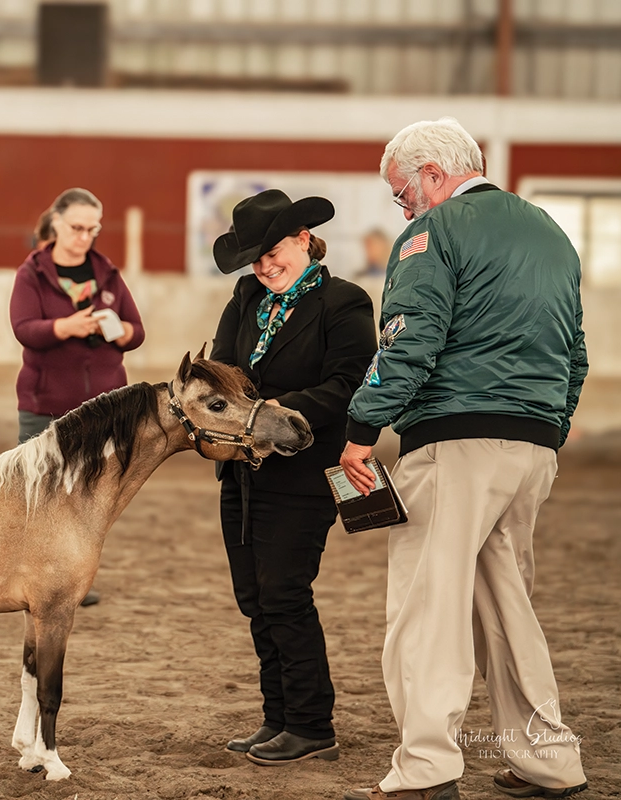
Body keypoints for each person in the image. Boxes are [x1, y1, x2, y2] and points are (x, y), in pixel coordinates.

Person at [340, 118, 589, 800]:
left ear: (434, 175)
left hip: (455, 442)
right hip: (532, 446)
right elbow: (575, 353)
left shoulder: (432, 234)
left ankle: (427, 766)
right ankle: (549, 761)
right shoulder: (549, 233)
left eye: (401, 193)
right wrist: (549, 430)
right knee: (509, 611)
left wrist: (363, 425)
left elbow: (410, 339)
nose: (402, 207)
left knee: (428, 607)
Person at [209, 190, 376, 766]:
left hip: (303, 474)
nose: (264, 266)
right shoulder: (247, 296)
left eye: (273, 251)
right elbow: (224, 368)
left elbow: (348, 383)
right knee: (255, 598)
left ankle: (311, 725)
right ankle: (278, 718)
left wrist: (272, 414)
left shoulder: (344, 302)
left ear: (304, 238)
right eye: (255, 258)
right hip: (242, 472)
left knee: (284, 593)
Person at [9, 188, 146, 607]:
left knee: (89, 497)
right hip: (44, 404)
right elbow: (24, 328)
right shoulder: (31, 274)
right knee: (37, 494)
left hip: (104, 408)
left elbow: (136, 331)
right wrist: (64, 328)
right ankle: (28, 581)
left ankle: (72, 581)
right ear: (55, 224)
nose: (85, 236)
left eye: (93, 229)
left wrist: (121, 331)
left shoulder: (108, 274)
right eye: (77, 228)